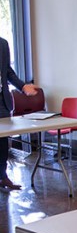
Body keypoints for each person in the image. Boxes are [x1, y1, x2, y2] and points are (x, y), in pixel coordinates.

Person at [0, 36, 39, 190]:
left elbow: (8, 72)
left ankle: (3, 177)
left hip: (1, 100)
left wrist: (23, 86)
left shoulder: (2, 44)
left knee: (2, 142)